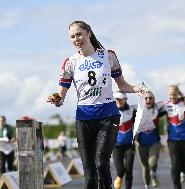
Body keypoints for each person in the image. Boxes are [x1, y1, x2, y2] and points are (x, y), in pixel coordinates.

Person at [48, 20, 143, 189]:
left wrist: (137, 88)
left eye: (79, 34)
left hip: (108, 116)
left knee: (101, 163)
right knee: (90, 173)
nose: (76, 39)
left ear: (88, 34)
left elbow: (122, 85)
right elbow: (61, 97)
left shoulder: (108, 56)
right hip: (84, 119)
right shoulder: (70, 62)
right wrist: (57, 100)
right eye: (72, 36)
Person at [134, 91, 166, 189]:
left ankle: (154, 174)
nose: (148, 100)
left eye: (150, 98)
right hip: (140, 144)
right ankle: (147, 186)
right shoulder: (137, 110)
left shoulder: (157, 109)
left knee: (152, 163)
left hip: (154, 143)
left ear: (153, 100)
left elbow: (170, 103)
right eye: (146, 98)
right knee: (145, 168)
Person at [112, 91, 136, 189]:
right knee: (120, 171)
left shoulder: (132, 110)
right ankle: (119, 177)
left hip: (129, 146)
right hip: (116, 146)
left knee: (129, 170)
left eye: (120, 99)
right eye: (116, 99)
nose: (118, 101)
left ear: (125, 100)